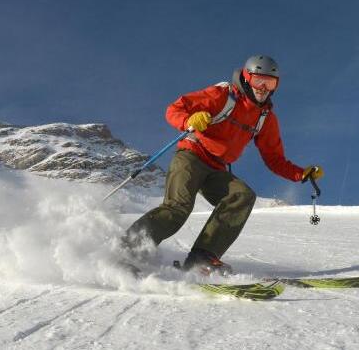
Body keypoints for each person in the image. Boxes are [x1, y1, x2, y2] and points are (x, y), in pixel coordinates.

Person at [121, 55, 323, 275]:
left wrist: (300, 174)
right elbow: (175, 109)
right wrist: (189, 121)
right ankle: (125, 250)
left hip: (217, 168)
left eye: (270, 83)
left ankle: (202, 257)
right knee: (178, 208)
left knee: (242, 195)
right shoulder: (223, 96)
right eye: (258, 81)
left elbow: (274, 158)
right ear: (247, 78)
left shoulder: (265, 118)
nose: (263, 88)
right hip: (192, 156)